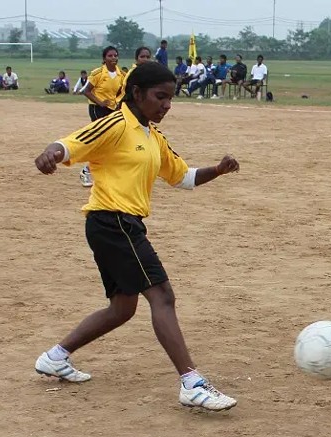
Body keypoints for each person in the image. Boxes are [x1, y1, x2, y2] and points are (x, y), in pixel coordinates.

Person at [33, 62, 240, 411]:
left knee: (122, 308)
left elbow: (183, 177)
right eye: (160, 97)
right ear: (137, 93)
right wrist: (51, 153)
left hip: (120, 226)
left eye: (171, 98)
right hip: (114, 223)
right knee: (162, 295)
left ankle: (56, 356)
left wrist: (217, 170)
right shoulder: (115, 124)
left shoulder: (152, 135)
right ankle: (191, 382)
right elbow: (71, 143)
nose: (167, 106)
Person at [79, 46, 126, 188]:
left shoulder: (121, 75)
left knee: (112, 141)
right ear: (104, 58)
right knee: (102, 139)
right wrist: (100, 102)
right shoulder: (98, 73)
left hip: (111, 109)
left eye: (115, 55)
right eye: (110, 56)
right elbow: (85, 91)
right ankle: (86, 171)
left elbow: (119, 93)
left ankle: (104, 171)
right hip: (96, 109)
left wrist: (118, 105)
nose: (113, 58)